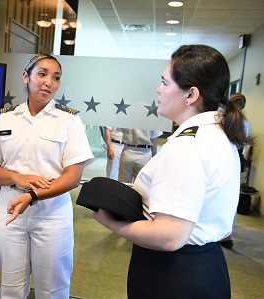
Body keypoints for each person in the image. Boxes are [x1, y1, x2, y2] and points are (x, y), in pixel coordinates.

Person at [93, 45, 253, 299]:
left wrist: (112, 223)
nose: (158, 89)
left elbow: (169, 236)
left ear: (191, 94)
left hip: (174, 275)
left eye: (164, 82)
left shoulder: (187, 146)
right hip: (205, 263)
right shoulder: (218, 133)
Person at [0, 54, 94, 299]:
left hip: (52, 212)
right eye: (42, 74)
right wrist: (17, 177)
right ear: (26, 77)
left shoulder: (69, 121)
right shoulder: (6, 118)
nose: (48, 82)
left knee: (53, 289)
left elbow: (73, 177)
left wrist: (33, 194)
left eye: (56, 77)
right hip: (10, 210)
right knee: (10, 287)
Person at [220, 93, 251, 249]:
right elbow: (244, 145)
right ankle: (227, 235)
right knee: (231, 196)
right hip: (236, 158)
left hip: (220, 156)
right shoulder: (244, 122)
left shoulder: (220, 118)